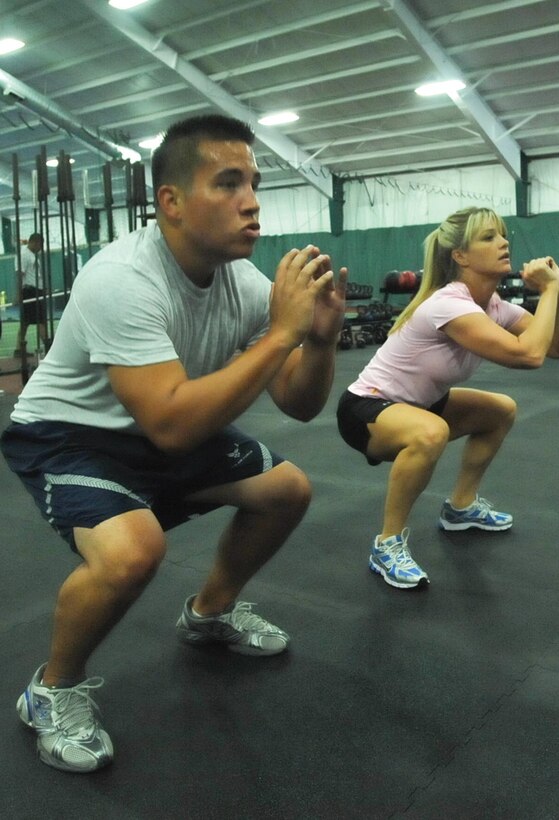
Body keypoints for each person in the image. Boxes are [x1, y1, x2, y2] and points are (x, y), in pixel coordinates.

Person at [0, 114, 347, 773]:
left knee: (287, 491)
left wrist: (320, 341)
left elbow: (299, 406)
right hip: (72, 437)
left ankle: (209, 613)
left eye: (253, 184)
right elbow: (173, 428)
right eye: (227, 183)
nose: (250, 201)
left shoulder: (243, 283)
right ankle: (51, 691)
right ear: (172, 202)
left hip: (163, 424)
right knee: (132, 553)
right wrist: (280, 335)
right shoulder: (121, 278)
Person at [337, 206, 559, 591]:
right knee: (431, 432)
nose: (503, 242)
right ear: (460, 256)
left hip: (421, 405)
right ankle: (386, 545)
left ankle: (461, 508)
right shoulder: (448, 303)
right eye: (489, 237)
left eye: (503, 235)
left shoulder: (495, 306)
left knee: (499, 410)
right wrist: (548, 290)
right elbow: (529, 355)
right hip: (365, 409)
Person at [14, 232, 50, 357]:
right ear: (36, 242)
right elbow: (20, 274)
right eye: (40, 245)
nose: (41, 248)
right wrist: (18, 294)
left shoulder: (31, 255)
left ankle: (19, 350)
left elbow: (35, 275)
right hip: (30, 292)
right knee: (41, 321)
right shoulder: (24, 254)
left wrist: (42, 288)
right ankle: (49, 348)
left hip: (36, 291)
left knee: (25, 322)